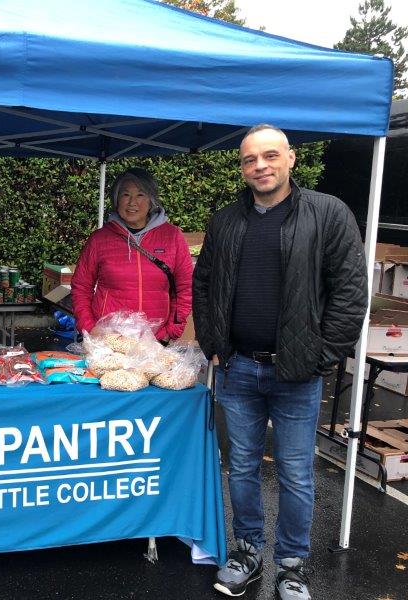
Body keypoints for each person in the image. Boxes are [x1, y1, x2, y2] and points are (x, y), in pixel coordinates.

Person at [193, 124, 367, 600]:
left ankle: (291, 565)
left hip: (297, 373)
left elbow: (351, 292)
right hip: (239, 367)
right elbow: (204, 284)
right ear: (242, 167)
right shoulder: (226, 220)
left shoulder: (328, 214)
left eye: (270, 156)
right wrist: (213, 341)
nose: (260, 166)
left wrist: (322, 355)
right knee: (243, 467)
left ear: (291, 158)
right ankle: (247, 552)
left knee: (294, 473)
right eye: (250, 159)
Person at [71, 167, 193, 341]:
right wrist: (89, 328)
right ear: (116, 199)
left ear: (151, 200)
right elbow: (81, 287)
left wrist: (171, 330)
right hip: (108, 341)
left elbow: (185, 288)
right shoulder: (99, 239)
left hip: (154, 342)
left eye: (140, 195)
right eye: (126, 194)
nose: (132, 203)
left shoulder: (172, 236)